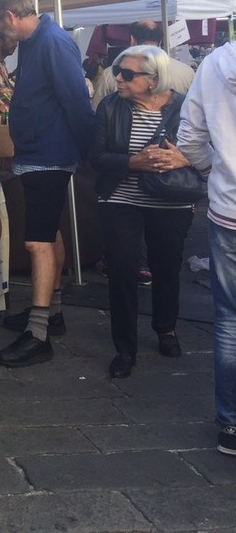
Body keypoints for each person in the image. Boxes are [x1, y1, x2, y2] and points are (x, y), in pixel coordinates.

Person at [0, 0, 95, 367]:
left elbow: (77, 101)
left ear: (11, 17)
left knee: (36, 243)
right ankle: (52, 312)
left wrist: (87, 151)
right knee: (49, 234)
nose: (0, 33)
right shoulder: (37, 41)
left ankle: (38, 334)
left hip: (48, 157)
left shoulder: (52, 41)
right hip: (39, 154)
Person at [89, 45, 195, 378]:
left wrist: (185, 158)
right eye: (118, 71)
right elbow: (95, 157)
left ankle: (166, 329)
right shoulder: (110, 106)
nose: (117, 77)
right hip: (121, 198)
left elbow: (209, 147)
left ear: (153, 79)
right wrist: (132, 162)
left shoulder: (186, 108)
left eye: (128, 74)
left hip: (172, 200)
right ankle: (125, 347)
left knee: (167, 267)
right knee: (122, 272)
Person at [177, 40, 236, 456]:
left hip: (229, 210)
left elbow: (190, 138)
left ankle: (231, 425)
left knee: (231, 320)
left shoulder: (217, 62)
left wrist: (215, 170)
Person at [91, 20, 194, 110]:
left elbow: (96, 109)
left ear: (132, 39)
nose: (119, 78)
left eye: (128, 75)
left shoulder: (111, 73)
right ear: (160, 41)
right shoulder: (187, 72)